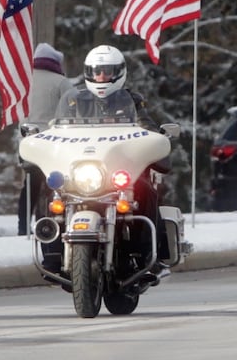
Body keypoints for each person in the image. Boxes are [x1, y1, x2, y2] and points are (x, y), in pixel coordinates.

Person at [51, 45, 176, 278]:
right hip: (84, 172)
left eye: (107, 71)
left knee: (146, 191)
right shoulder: (75, 101)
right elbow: (58, 131)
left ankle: (151, 254)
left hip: (120, 172)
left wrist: (155, 141)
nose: (101, 77)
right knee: (51, 195)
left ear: (118, 72)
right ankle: (51, 253)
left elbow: (146, 128)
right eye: (96, 71)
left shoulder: (131, 100)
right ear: (88, 72)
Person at [18, 42, 77, 235]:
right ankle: (54, 224)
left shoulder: (24, 81)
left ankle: (22, 228)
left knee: (30, 186)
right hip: (54, 144)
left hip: (28, 142)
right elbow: (75, 106)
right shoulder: (60, 82)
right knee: (57, 185)